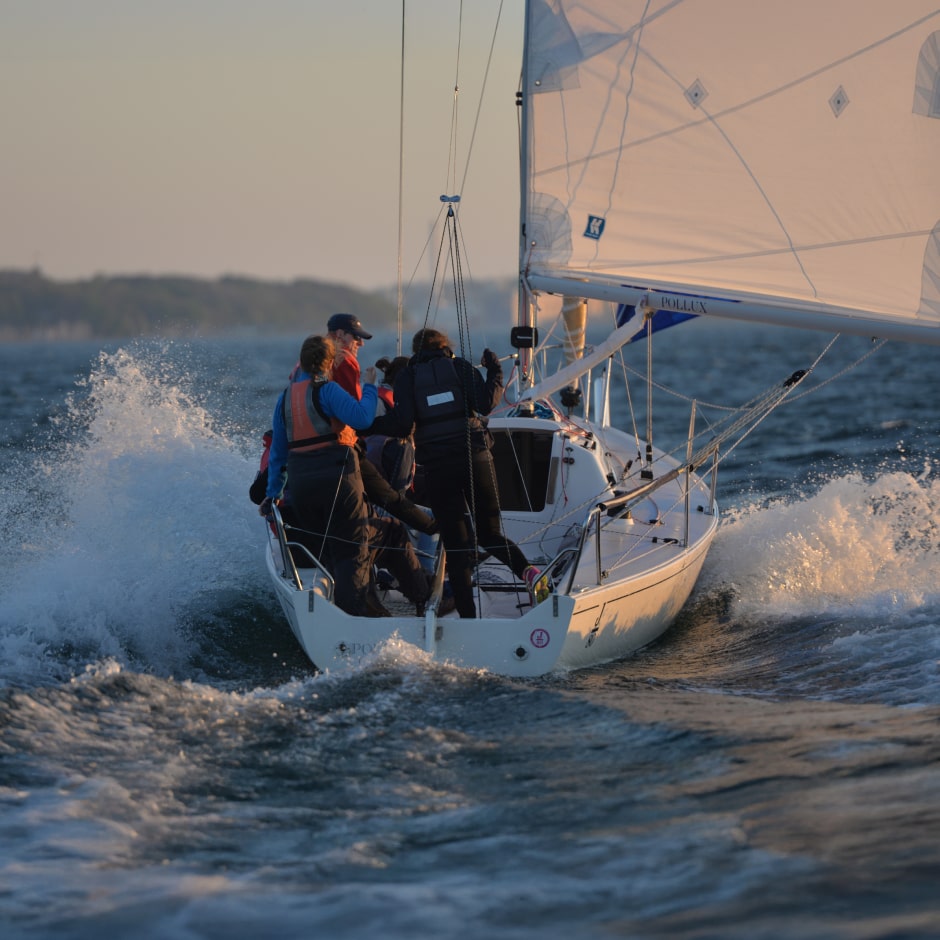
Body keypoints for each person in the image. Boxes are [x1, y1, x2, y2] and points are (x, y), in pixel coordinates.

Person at [377, 327, 547, 618]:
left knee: (455, 547)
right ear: (445, 346)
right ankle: (530, 574)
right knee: (490, 534)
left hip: (440, 468)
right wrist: (495, 369)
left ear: (417, 351)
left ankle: (468, 618)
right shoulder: (459, 366)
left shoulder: (409, 376)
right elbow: (485, 403)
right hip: (477, 460)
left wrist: (366, 427)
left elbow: (402, 425)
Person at [260, 334, 378, 617]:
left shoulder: (284, 398)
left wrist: (273, 494)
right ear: (329, 362)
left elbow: (277, 454)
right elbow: (363, 418)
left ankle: (333, 612)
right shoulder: (328, 390)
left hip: (301, 487)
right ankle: (354, 620)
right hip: (337, 480)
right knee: (351, 549)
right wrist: (371, 386)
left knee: (327, 548)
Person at [322, 313, 436, 536]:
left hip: (326, 451)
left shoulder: (308, 370)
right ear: (339, 335)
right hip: (344, 450)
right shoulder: (344, 360)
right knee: (394, 501)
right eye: (356, 337)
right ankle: (440, 535)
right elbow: (360, 418)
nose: (360, 343)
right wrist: (370, 386)